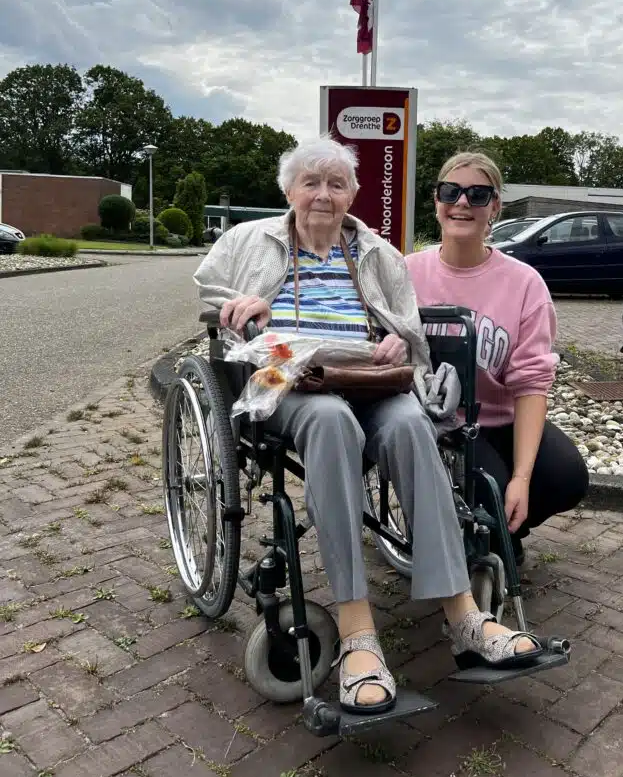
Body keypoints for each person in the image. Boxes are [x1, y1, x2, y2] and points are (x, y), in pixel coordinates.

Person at [193, 136, 544, 717]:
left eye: (336, 184)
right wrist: (239, 302)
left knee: (410, 424)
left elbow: (409, 332)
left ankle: (462, 614)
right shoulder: (247, 241)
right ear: (289, 191)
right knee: (331, 422)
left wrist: (393, 341)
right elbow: (209, 291)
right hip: (290, 377)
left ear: (354, 193)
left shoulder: (376, 251)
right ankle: (358, 632)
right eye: (311, 182)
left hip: (369, 379)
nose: (323, 195)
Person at [406, 151, 589, 565]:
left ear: (495, 207)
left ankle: (503, 532)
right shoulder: (407, 272)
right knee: (489, 486)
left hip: (499, 420)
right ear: (436, 200)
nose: (463, 202)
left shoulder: (524, 284)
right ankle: (480, 535)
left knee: (565, 477)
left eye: (478, 193)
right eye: (451, 191)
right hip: (439, 426)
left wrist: (523, 478)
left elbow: (531, 383)